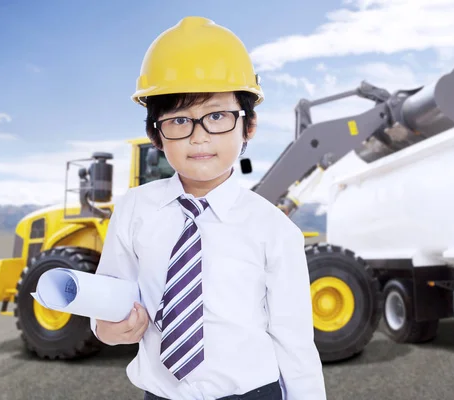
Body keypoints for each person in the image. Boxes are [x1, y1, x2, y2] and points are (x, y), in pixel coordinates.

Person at [90, 16, 327, 400]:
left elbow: (295, 343)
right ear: (156, 134)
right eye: (180, 120)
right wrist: (105, 328)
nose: (198, 137)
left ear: (248, 125)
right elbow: (110, 298)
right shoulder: (134, 210)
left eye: (216, 116)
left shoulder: (274, 229)